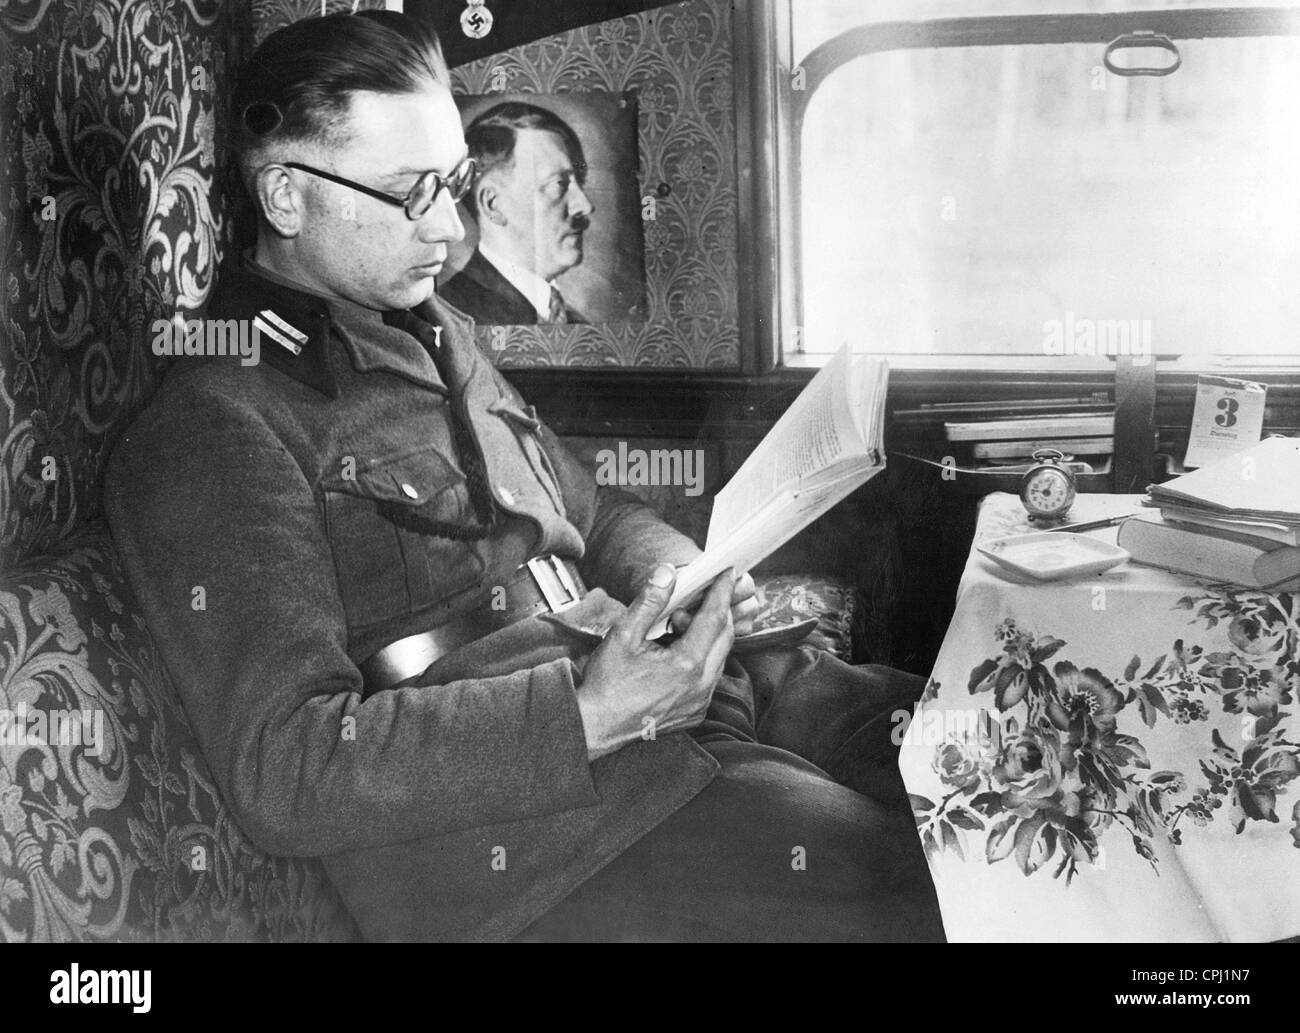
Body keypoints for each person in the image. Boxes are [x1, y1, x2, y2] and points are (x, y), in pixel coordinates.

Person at [104, 10, 943, 942]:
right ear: (288, 196)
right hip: (533, 847)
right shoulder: (218, 424)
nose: (448, 227)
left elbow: (592, 507)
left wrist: (693, 578)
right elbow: (288, 768)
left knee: (984, 738)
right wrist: (584, 714)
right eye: (411, 192)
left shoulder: (429, 327)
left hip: (664, 702)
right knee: (922, 885)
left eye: (456, 183)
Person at [438, 102, 592, 324]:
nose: (584, 206)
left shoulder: (576, 323)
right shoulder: (452, 315)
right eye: (559, 184)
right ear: (493, 205)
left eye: (580, 182)